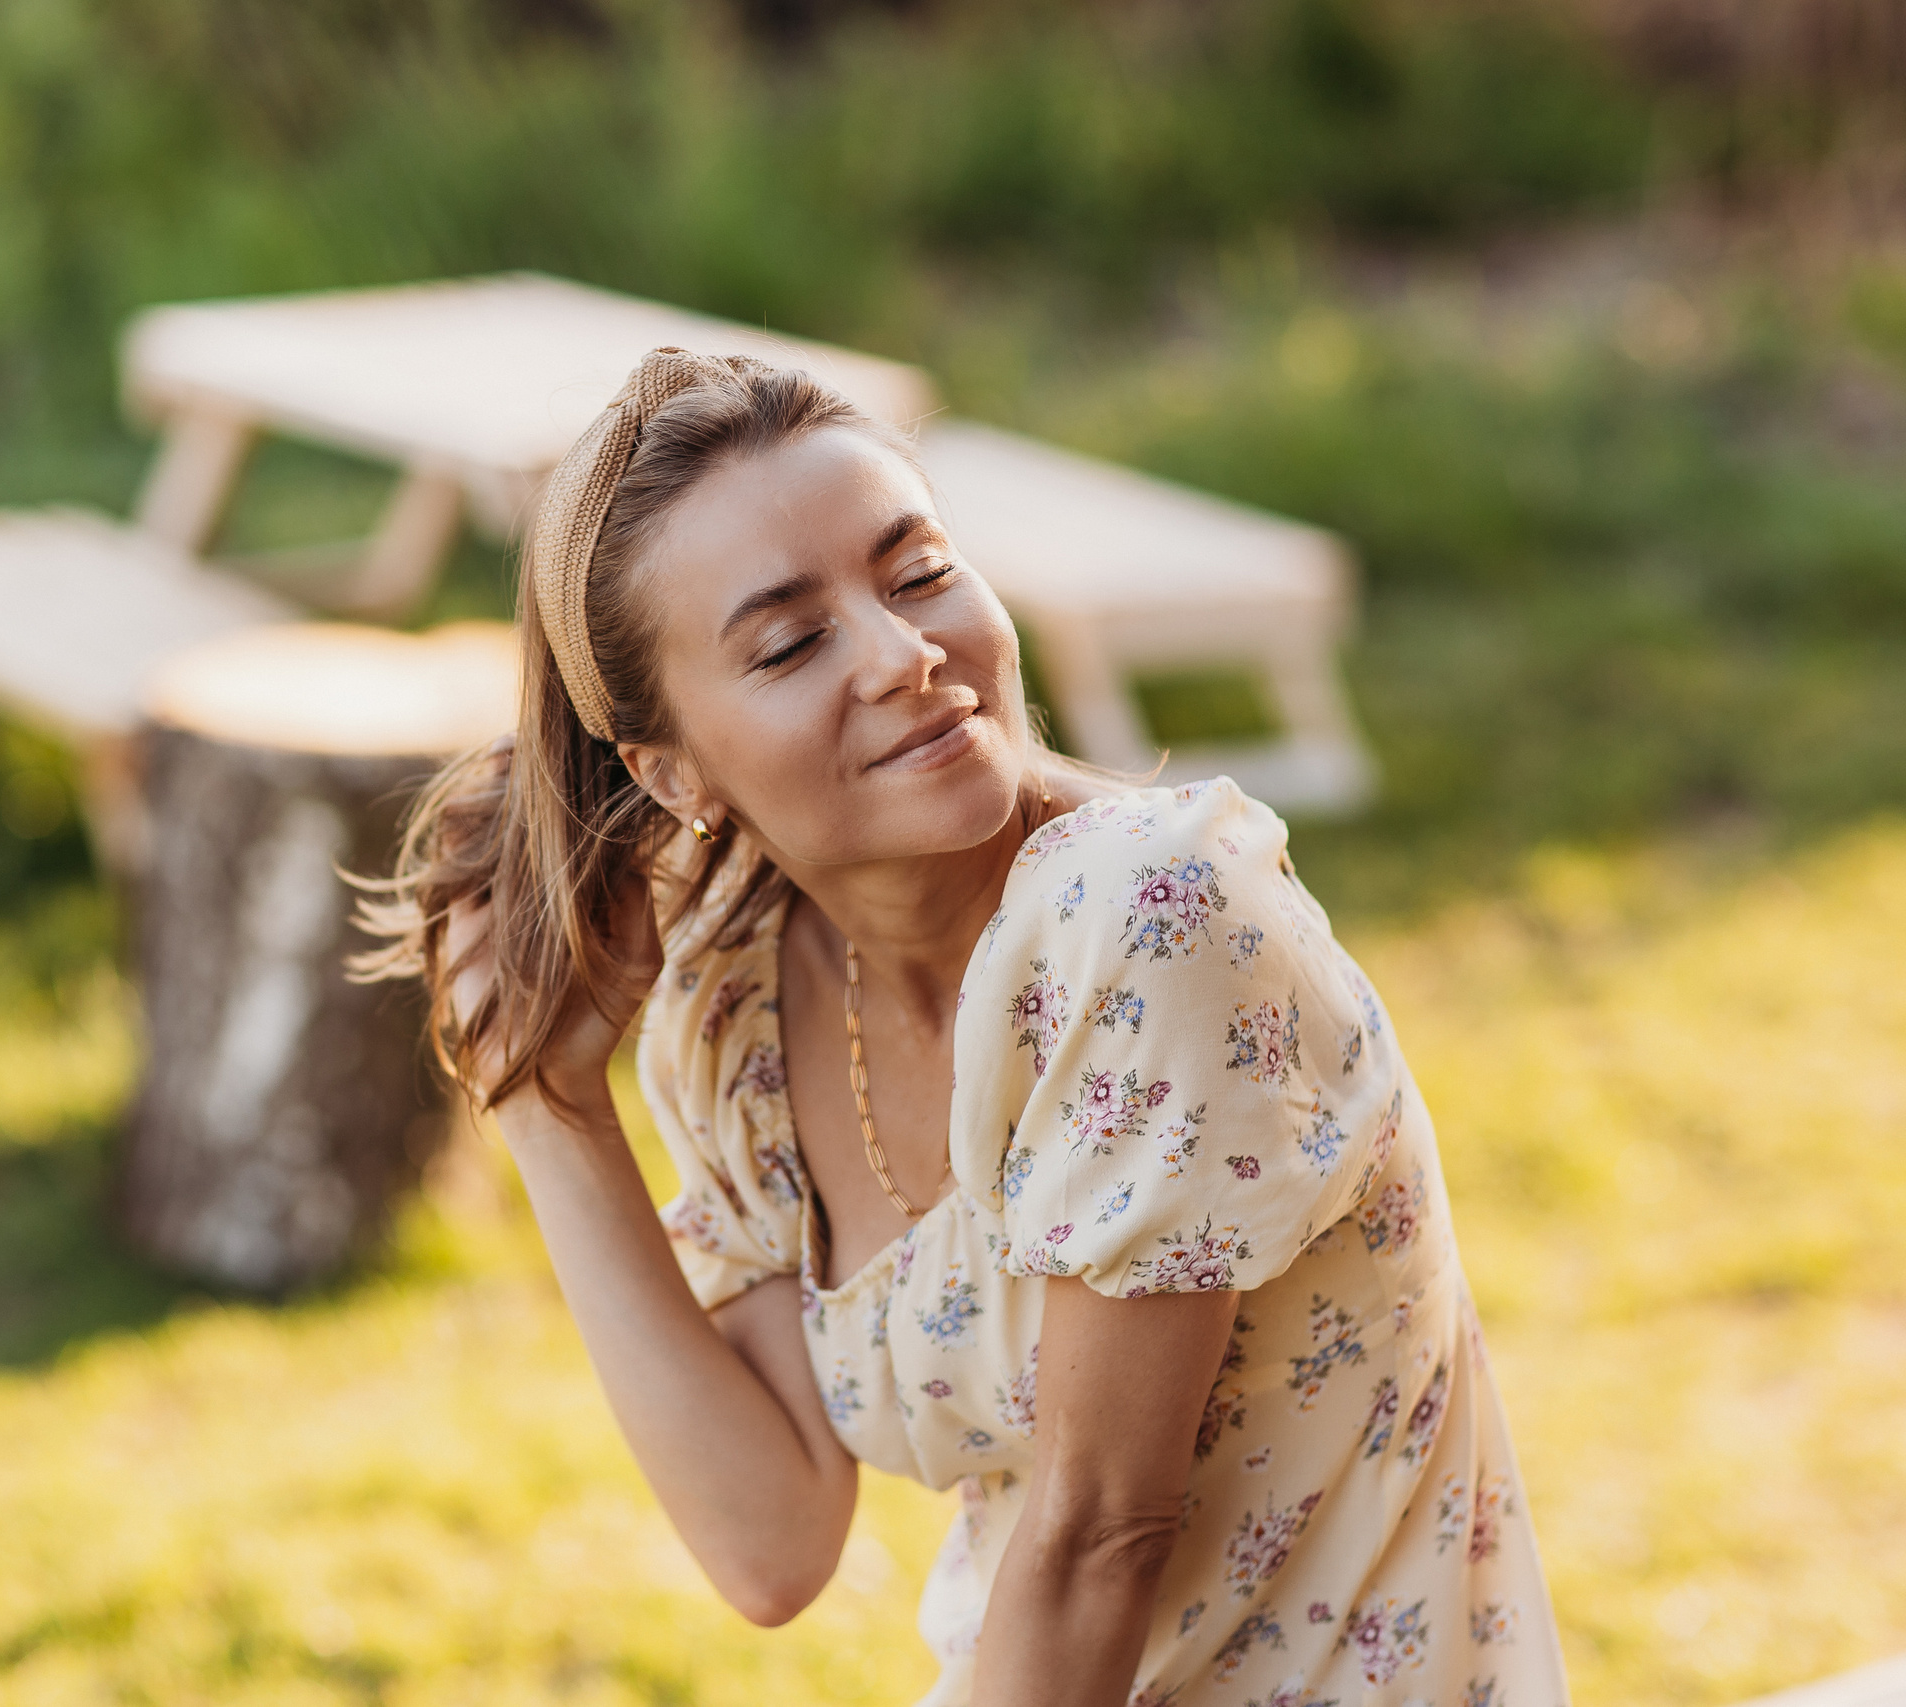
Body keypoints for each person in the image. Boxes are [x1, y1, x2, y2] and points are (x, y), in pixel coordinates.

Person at [358, 348, 1565, 1707]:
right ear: (670, 770)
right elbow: (769, 1544)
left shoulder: (1153, 915)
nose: (902, 653)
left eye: (916, 569)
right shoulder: (738, 1002)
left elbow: (1098, 1539)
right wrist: (550, 1106)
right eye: (792, 640)